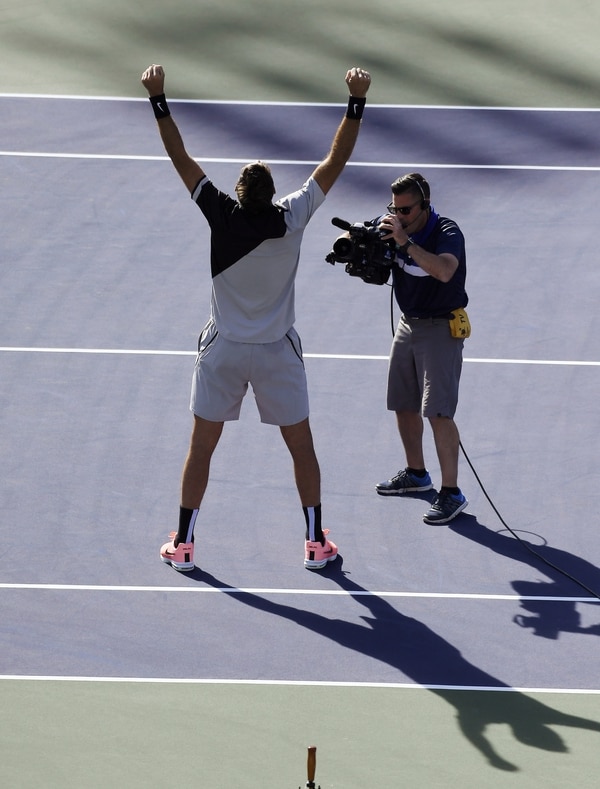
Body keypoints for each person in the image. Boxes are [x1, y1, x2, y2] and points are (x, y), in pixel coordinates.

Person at [140, 63, 372, 571]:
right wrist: (355, 100)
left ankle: (183, 544)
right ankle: (315, 544)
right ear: (272, 194)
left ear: (240, 194)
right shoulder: (293, 216)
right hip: (275, 354)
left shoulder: (220, 214)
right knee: (302, 449)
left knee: (201, 449)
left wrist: (158, 97)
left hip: (222, 350)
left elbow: (179, 155)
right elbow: (337, 158)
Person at [373, 173, 469, 524]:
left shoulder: (447, 231)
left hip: (441, 327)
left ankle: (452, 492)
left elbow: (444, 271)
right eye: (394, 208)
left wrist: (404, 243)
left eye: (407, 209)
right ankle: (417, 473)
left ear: (424, 205)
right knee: (403, 403)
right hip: (408, 323)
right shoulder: (395, 224)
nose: (400, 215)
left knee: (438, 412)